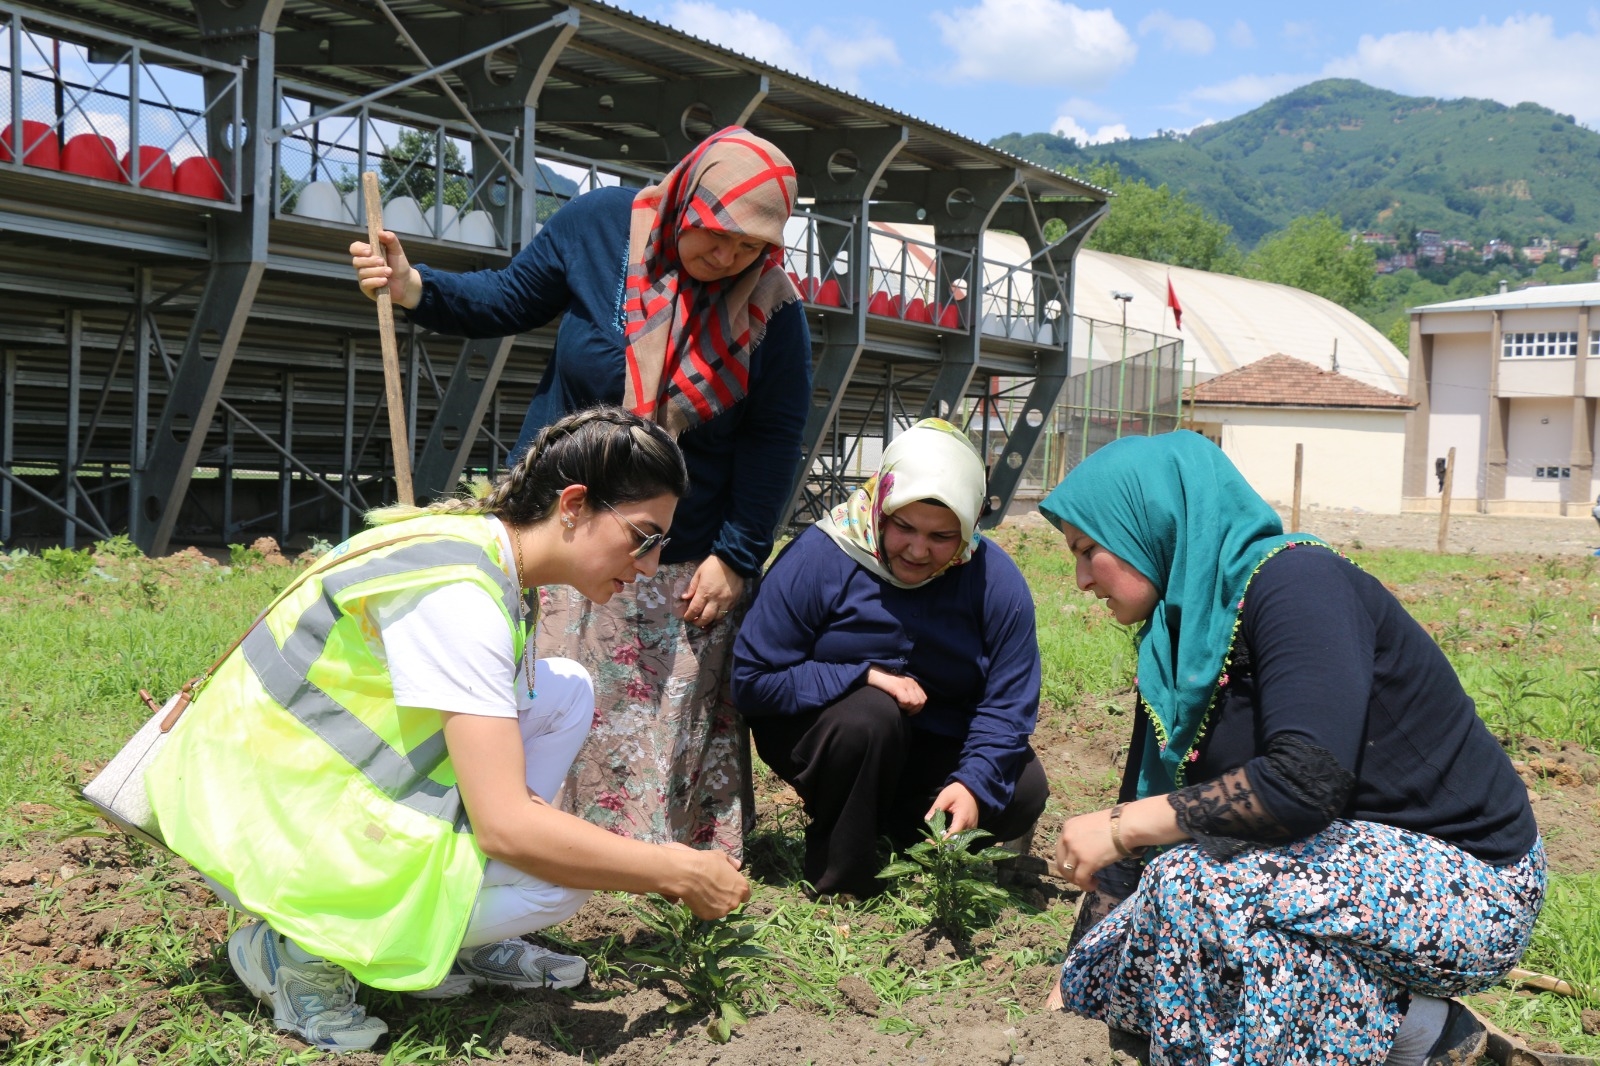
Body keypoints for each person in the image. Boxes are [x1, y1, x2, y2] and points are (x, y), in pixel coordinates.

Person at [145, 408, 750, 1052]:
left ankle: (454, 937)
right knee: (558, 882)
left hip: (288, 778)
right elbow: (508, 827)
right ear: (574, 504)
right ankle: (295, 946)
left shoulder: (483, 553)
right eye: (643, 537)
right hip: (260, 818)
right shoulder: (460, 598)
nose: (652, 565)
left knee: (565, 690)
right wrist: (675, 870)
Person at [351, 126, 811, 855]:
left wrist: (739, 554)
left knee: (656, 713)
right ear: (685, 199)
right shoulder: (599, 228)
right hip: (561, 528)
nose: (725, 258)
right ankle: (518, 837)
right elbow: (504, 299)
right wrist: (415, 287)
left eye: (749, 247)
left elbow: (774, 440)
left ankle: (651, 855)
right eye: (713, 235)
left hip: (678, 552)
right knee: (528, 694)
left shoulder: (773, 310)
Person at [1038, 432, 1544, 1066]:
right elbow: (1144, 798)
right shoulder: (1176, 637)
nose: (1082, 579)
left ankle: (1410, 1030)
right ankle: (1424, 1033)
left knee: (1195, 886)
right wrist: (1078, 977)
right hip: (1328, 870)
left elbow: (1305, 780)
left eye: (1089, 551)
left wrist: (1121, 829)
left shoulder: (1298, 583)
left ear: (1154, 525)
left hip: (1467, 887)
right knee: (1119, 977)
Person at [731, 418, 1048, 898]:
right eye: (903, 526)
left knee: (1022, 787)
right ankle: (843, 875)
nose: (918, 550)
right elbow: (752, 681)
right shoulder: (822, 556)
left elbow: (1008, 705)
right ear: (879, 504)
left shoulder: (994, 582)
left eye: (942, 536)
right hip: (829, 736)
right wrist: (862, 675)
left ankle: (902, 836)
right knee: (871, 717)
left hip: (928, 743)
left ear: (969, 527)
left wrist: (974, 783)